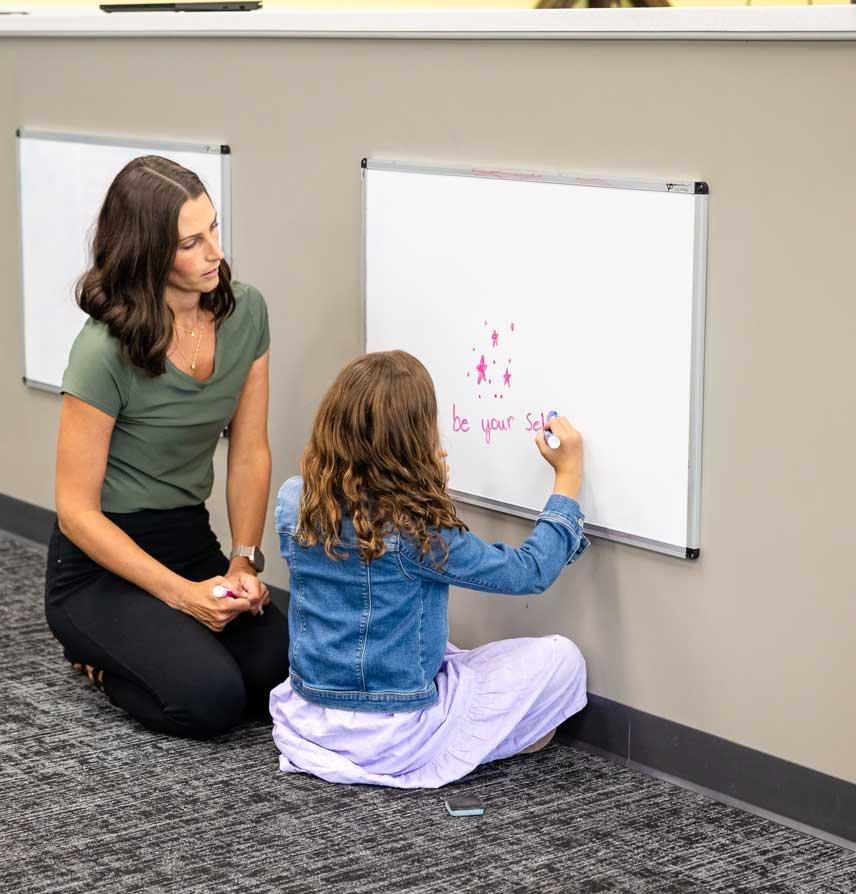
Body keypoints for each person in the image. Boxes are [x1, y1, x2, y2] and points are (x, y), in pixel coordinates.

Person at [44, 155, 288, 739]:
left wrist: (243, 562)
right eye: (191, 243)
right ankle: (102, 660)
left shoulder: (245, 313)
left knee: (280, 673)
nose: (215, 254)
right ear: (148, 252)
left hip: (186, 538)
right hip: (99, 567)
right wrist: (183, 599)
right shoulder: (102, 351)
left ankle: (164, 644)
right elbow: (76, 512)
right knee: (211, 700)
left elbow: (250, 449)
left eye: (215, 230)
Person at [269, 350, 589, 787]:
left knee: (437, 645)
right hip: (393, 734)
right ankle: (476, 742)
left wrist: (424, 490)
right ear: (414, 439)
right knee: (562, 659)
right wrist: (567, 479)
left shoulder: (294, 499)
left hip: (310, 715)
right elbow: (528, 571)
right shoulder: (417, 527)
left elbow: (355, 574)